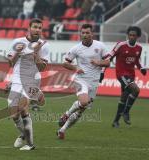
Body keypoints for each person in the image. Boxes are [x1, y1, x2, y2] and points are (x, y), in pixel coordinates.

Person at [57, 24, 110, 139]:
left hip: (94, 82)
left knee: (81, 110)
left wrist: (98, 63)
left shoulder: (100, 46)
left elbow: (108, 62)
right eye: (83, 33)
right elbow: (65, 63)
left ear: (92, 34)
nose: (85, 35)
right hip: (81, 80)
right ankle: (66, 114)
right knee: (84, 102)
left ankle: (62, 130)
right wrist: (76, 68)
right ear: (80, 34)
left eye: (87, 33)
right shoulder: (76, 48)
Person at [7, 18, 49, 150]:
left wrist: (36, 53)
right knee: (14, 115)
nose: (37, 30)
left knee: (23, 108)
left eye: (40, 28)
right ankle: (23, 134)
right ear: (29, 28)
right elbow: (10, 63)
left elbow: (42, 68)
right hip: (17, 79)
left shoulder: (44, 45)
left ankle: (30, 145)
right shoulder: (17, 42)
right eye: (35, 27)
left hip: (32, 79)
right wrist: (17, 53)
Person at [108, 26, 147, 128]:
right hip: (121, 74)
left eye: (134, 35)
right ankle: (126, 112)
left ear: (137, 36)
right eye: (130, 35)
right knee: (136, 90)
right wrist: (104, 67)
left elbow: (137, 61)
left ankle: (115, 121)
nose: (132, 37)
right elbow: (110, 55)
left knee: (124, 97)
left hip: (131, 75)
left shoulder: (139, 48)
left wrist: (141, 68)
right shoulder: (121, 45)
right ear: (127, 35)